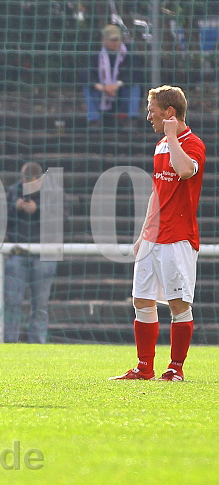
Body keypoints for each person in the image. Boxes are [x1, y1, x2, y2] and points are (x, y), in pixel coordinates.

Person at [111, 86, 204, 382]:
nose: (148, 116)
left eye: (152, 111)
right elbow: (157, 191)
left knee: (178, 305)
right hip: (153, 238)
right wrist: (143, 233)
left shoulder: (191, 143)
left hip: (177, 238)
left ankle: (175, 368)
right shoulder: (161, 144)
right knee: (141, 300)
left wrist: (173, 137)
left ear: (169, 112)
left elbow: (186, 171)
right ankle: (144, 367)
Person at [3, 162, 59, 344]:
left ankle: (38, 342)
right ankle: (10, 342)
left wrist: (38, 210)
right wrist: (15, 208)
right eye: (24, 181)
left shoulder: (52, 193)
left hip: (43, 255)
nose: (26, 185)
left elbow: (62, 219)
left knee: (40, 305)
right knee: (12, 302)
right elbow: (1, 219)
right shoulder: (14, 191)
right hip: (17, 253)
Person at [83, 24, 143, 128]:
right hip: (102, 94)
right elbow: (85, 73)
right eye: (112, 40)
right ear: (103, 41)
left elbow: (136, 73)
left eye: (118, 40)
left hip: (120, 93)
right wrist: (102, 87)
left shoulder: (128, 54)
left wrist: (117, 85)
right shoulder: (95, 54)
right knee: (88, 88)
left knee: (134, 87)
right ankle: (94, 121)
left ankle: (131, 120)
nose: (116, 43)